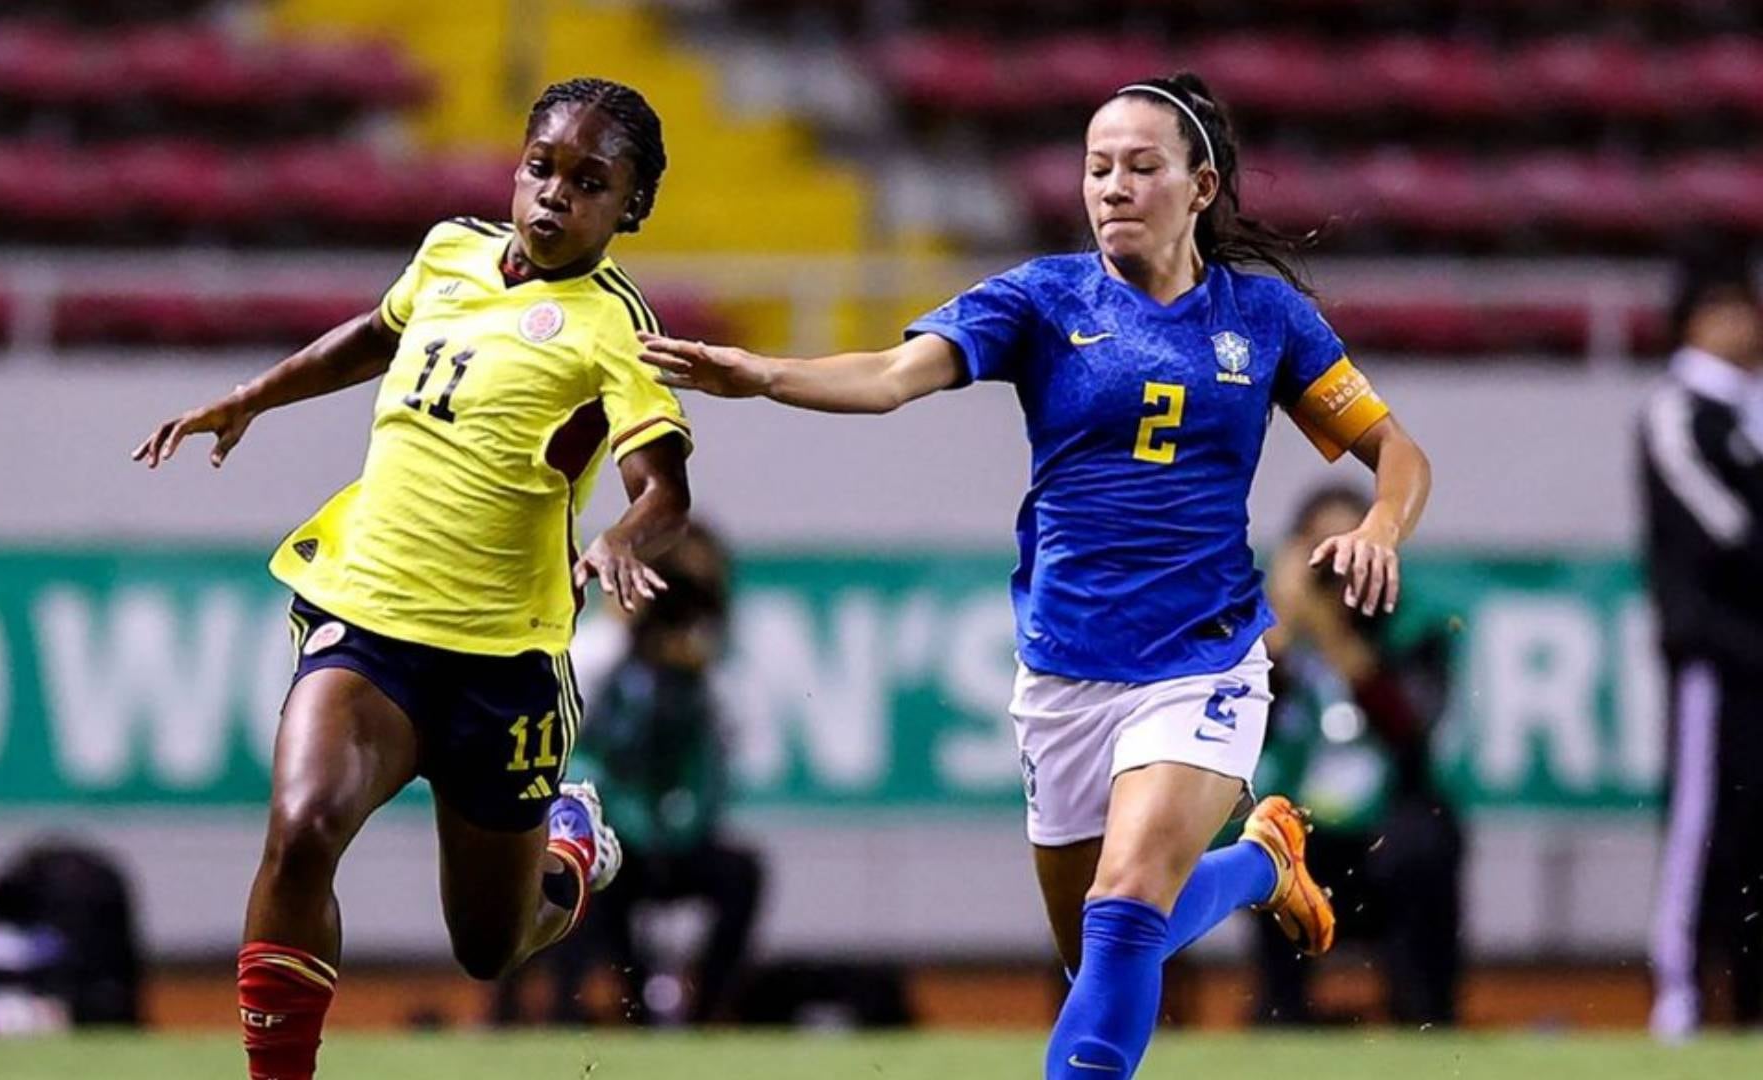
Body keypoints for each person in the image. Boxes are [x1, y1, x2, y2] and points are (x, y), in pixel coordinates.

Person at [641, 73, 1432, 1078]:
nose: (1112, 186)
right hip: (1064, 671)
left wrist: (1383, 525)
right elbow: (890, 376)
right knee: (1098, 940)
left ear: (1201, 188)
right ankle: (1260, 866)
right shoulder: (1042, 299)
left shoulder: (1262, 319)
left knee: (1124, 909)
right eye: (1098, 167)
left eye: (1142, 167)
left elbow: (1398, 451)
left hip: (1203, 663)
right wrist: (762, 374)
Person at [133, 78, 693, 1080]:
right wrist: (253, 397)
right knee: (303, 831)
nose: (554, 196)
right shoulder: (451, 251)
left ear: (630, 209)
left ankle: (572, 849)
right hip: (368, 617)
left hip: (502, 664)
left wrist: (620, 539)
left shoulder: (618, 329)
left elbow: (665, 490)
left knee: (489, 945)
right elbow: (377, 333)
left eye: (589, 181)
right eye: (541, 167)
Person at [1255, 485, 1462, 1026]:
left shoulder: (1413, 625)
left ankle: (1423, 1013)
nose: (1337, 577)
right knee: (1257, 845)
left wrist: (1334, 635)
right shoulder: (1268, 639)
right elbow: (1242, 730)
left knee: (1425, 842)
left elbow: (1410, 727)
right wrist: (1278, 635)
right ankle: (1280, 1014)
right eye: (1322, 555)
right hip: (1299, 824)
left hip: (1386, 822)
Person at [556, 521, 763, 1025]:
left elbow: (729, 749)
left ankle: (703, 1015)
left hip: (676, 836)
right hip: (606, 831)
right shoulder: (602, 652)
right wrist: (631, 632)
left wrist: (698, 662)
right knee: (569, 874)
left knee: (742, 875)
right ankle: (584, 1010)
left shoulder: (711, 669)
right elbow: (567, 738)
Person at [1639, 245, 1763, 1039]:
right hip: (1717, 656)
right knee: (1701, 824)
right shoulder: (1680, 409)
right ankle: (1678, 994)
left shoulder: (1749, 413)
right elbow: (1727, 530)